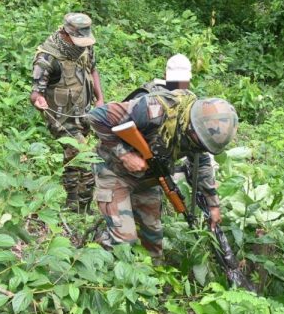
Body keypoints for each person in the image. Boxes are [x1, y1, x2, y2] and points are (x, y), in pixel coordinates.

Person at [87, 91, 238, 264]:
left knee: (153, 240)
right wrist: (124, 154)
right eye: (199, 142)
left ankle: (153, 280)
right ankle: (101, 258)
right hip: (113, 172)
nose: (199, 147)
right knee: (124, 242)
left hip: (149, 177)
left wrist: (213, 204)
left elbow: (201, 164)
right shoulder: (154, 110)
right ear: (193, 125)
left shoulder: (197, 138)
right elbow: (97, 117)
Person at [30, 13, 104, 212]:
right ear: (65, 33)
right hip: (61, 117)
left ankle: (71, 202)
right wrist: (39, 101)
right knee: (86, 157)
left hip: (82, 111)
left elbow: (93, 69)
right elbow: (35, 93)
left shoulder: (85, 48)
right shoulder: (47, 56)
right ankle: (84, 208)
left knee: (72, 157)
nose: (82, 45)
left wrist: (100, 99)